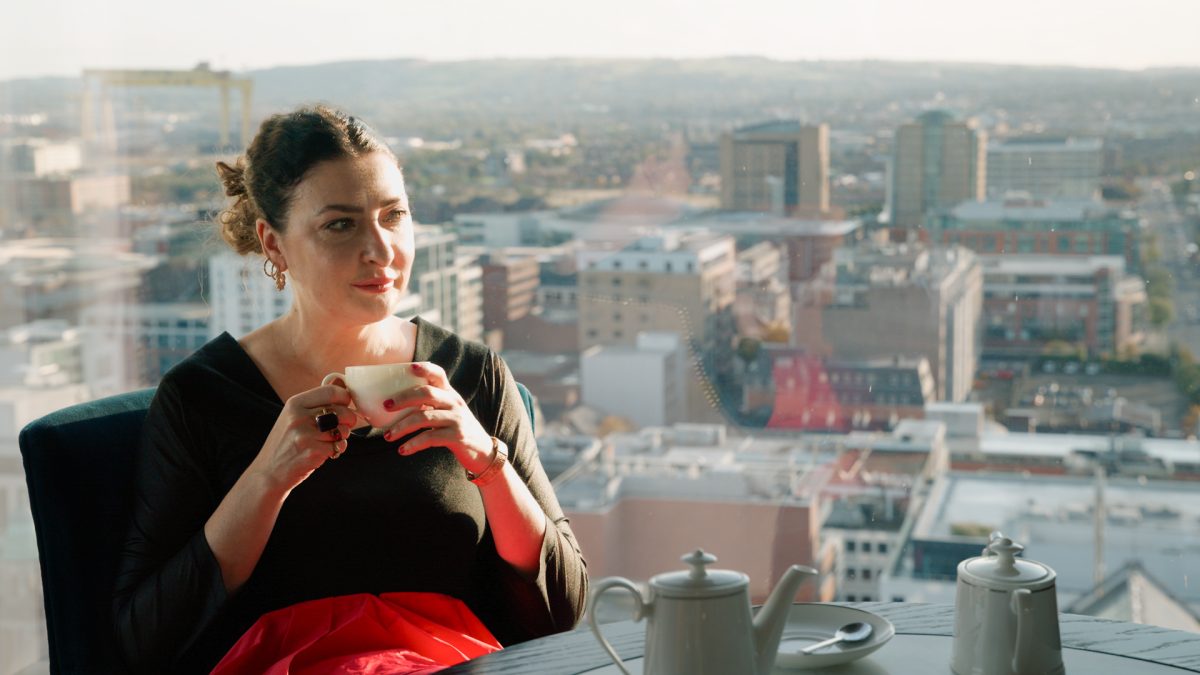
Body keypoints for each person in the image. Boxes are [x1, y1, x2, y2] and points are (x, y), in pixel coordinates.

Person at [112, 106, 588, 673]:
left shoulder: (473, 376)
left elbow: (563, 610)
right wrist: (267, 478)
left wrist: (486, 461)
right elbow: (144, 639)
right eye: (341, 224)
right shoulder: (203, 396)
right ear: (274, 244)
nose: (381, 250)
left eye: (394, 215)